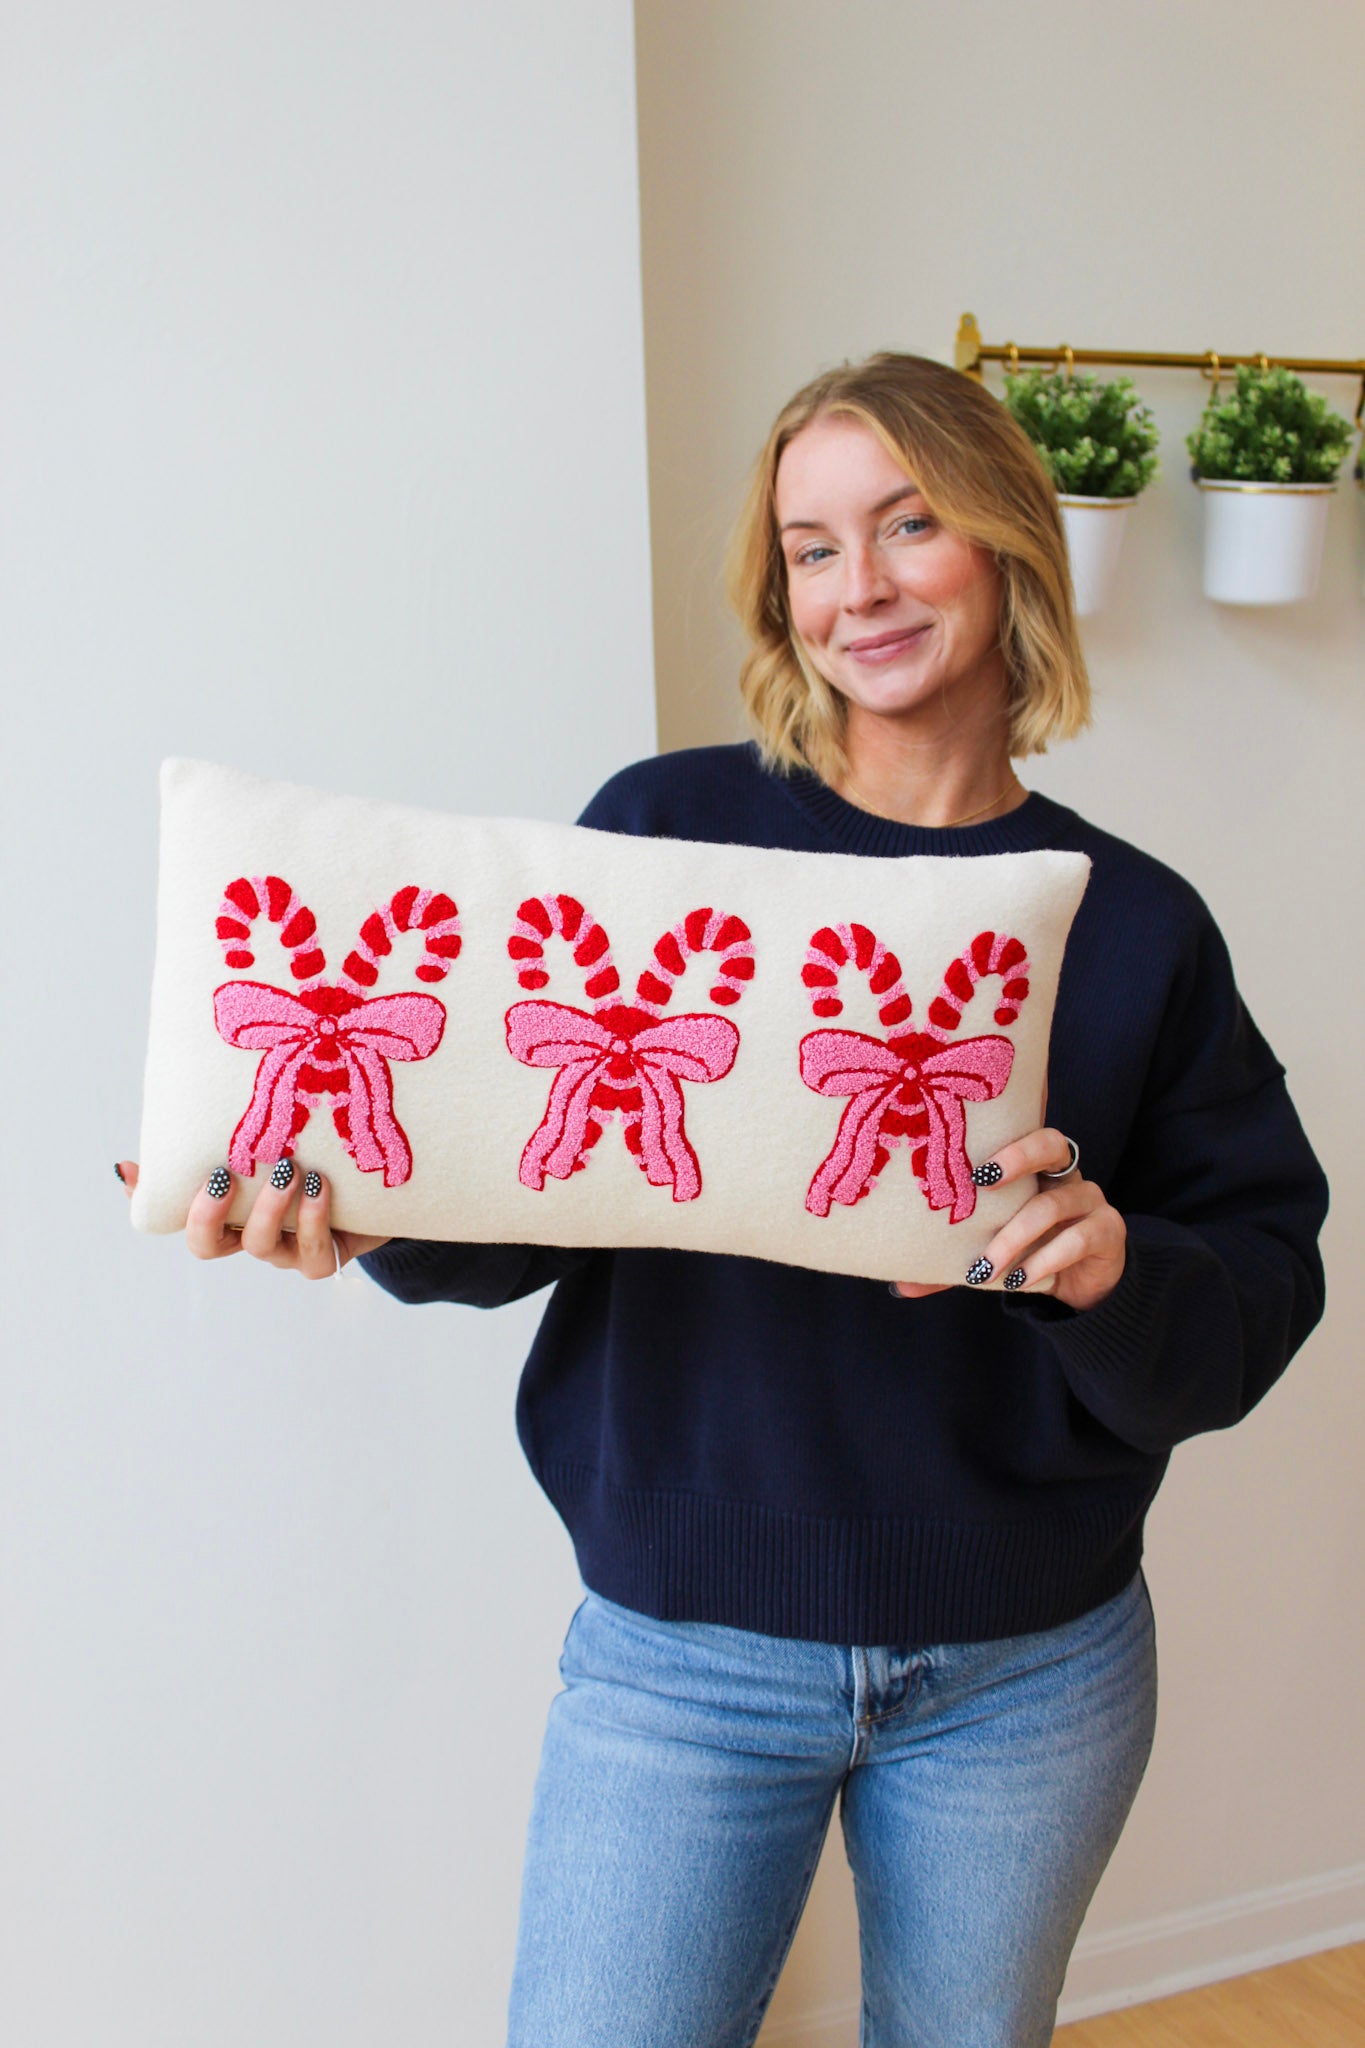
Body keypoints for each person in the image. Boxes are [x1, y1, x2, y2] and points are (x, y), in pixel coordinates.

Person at [118, 352, 1329, 2048]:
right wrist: (378, 1216)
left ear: (1006, 545)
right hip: (682, 1656)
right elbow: (541, 1179)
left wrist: (1112, 1264)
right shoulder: (668, 832)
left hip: (1027, 1669)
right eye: (812, 546)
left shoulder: (1132, 923)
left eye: (910, 525)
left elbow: (1263, 1289)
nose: (861, 586)